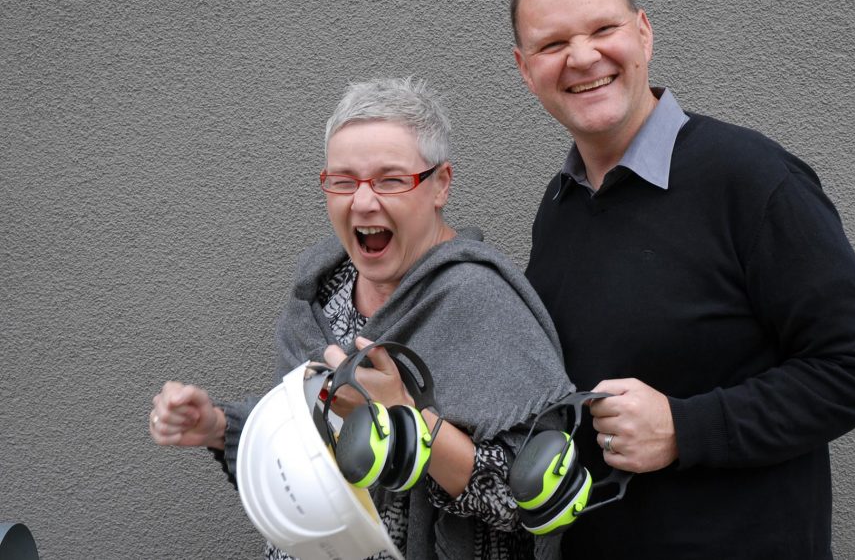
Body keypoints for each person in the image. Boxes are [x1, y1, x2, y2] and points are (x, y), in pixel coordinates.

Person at [511, 0, 855, 558]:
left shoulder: (751, 179)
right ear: (525, 68)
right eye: (553, 43)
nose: (583, 57)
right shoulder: (559, 209)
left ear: (643, 32)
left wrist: (685, 429)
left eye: (603, 29)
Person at [149, 78, 574, 560]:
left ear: (441, 184)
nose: (363, 202)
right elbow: (300, 433)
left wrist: (405, 419)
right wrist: (217, 425)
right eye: (344, 180)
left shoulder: (481, 300)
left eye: (391, 180)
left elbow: (526, 503)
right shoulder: (319, 291)